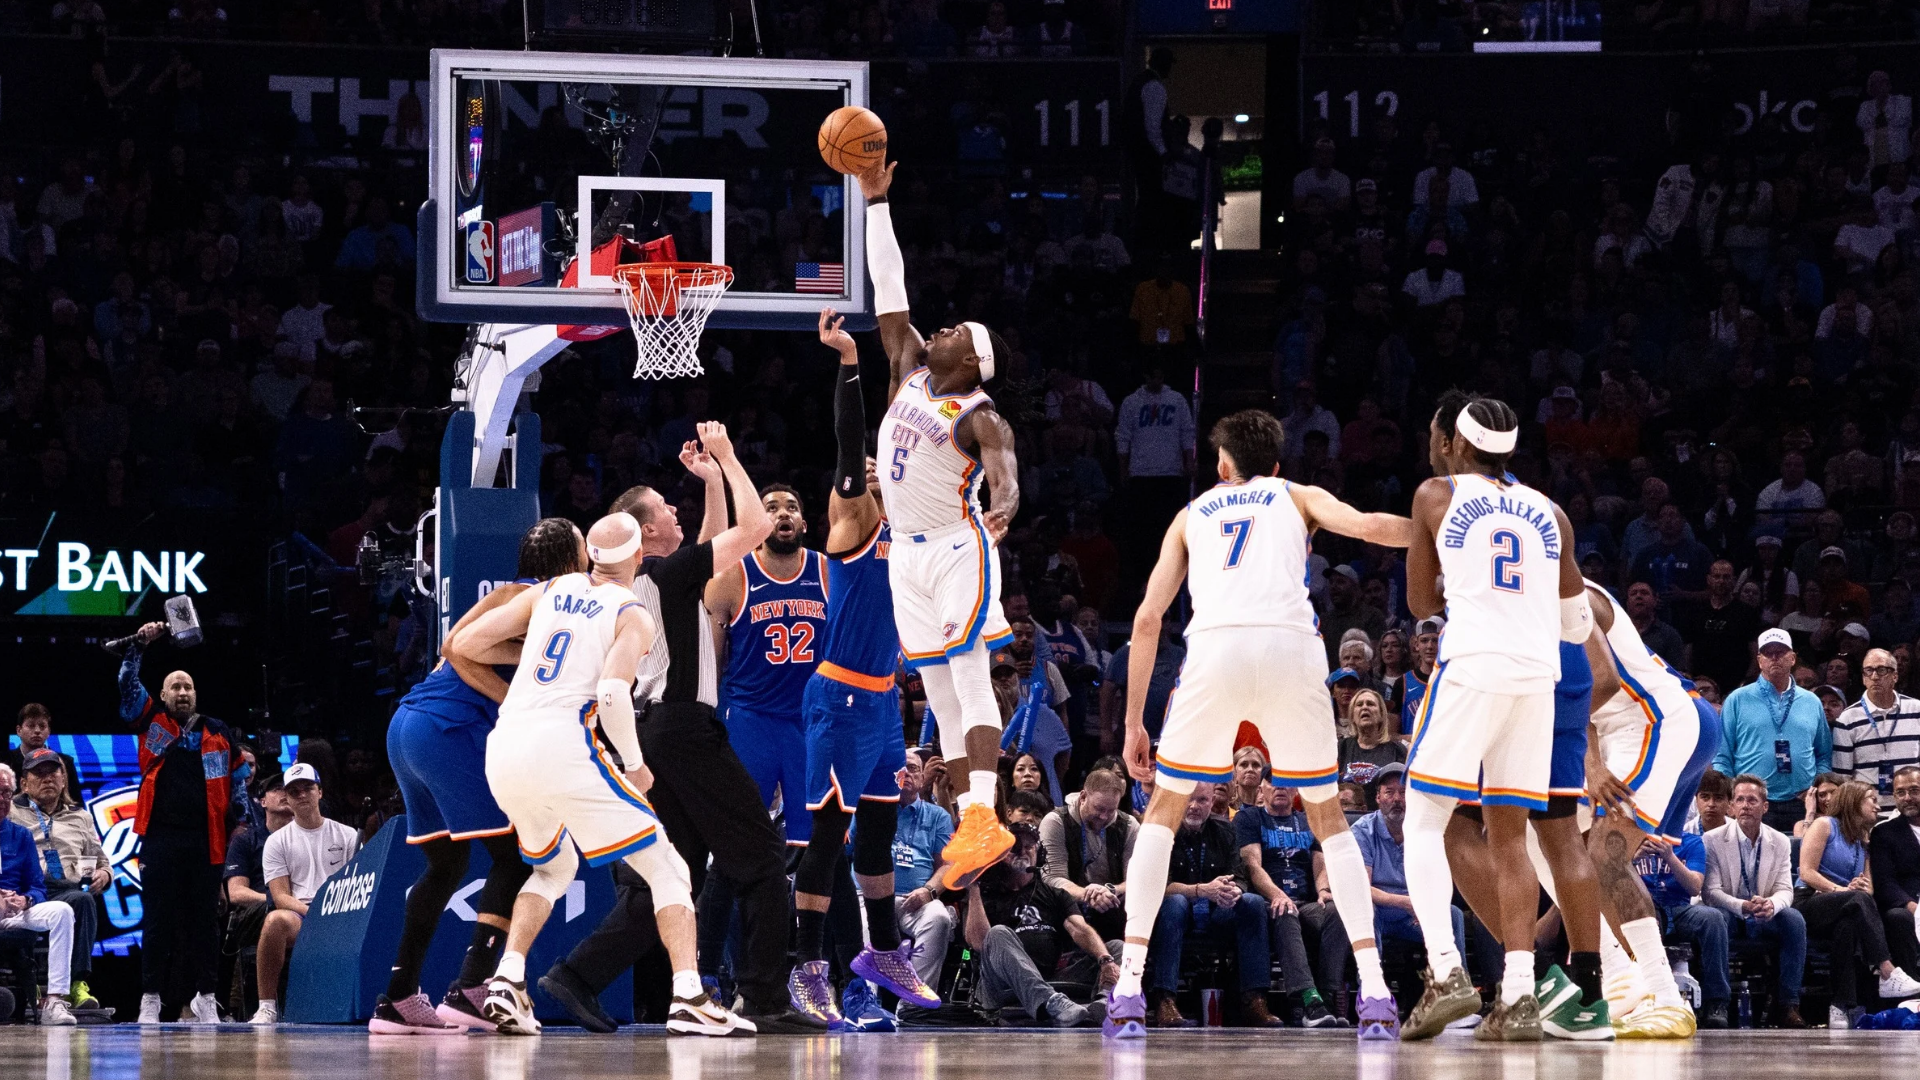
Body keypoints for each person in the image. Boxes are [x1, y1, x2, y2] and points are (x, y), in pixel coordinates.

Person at [1110, 409, 1412, 1042]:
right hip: (1289, 649)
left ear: (1223, 466)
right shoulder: (1296, 494)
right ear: (1275, 464)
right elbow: (1365, 526)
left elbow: (1145, 621)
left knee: (1163, 813)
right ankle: (1378, 993)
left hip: (1216, 649)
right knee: (1329, 819)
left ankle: (1130, 987)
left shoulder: (1191, 515)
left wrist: (1135, 720)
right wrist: (1434, 533)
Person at [448, 511, 753, 1037]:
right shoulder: (632, 612)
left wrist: (530, 664)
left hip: (506, 747)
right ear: (638, 557)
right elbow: (612, 693)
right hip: (565, 745)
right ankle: (690, 997)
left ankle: (507, 980)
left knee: (552, 868)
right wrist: (635, 766)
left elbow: (464, 646)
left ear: (591, 555)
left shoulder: (552, 589)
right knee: (670, 870)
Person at [541, 426, 797, 1032]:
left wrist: (709, 483)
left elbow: (710, 551)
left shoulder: (640, 583)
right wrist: (731, 460)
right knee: (761, 857)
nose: (673, 509)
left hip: (654, 731)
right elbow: (751, 533)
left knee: (665, 875)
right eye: (662, 507)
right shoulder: (666, 573)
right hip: (685, 730)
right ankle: (763, 996)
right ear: (643, 532)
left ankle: (574, 977)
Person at [1398, 392, 1590, 1042]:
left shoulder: (1435, 494)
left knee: (1425, 818)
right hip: (1537, 679)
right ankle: (1517, 995)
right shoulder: (1553, 512)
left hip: (1474, 664)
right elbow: (1575, 621)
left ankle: (1446, 972)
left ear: (1453, 441)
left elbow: (1422, 602)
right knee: (1509, 835)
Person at [862, 155, 1022, 894]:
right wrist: (876, 202)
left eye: (959, 330)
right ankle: (972, 820)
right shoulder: (909, 364)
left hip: (960, 545)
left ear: (972, 362)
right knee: (936, 689)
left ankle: (986, 811)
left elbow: (1003, 456)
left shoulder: (977, 410)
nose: (945, 325)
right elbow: (888, 287)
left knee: (969, 673)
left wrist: (1007, 496)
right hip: (906, 554)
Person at [783, 311, 941, 1029]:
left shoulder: (908, 534)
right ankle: (807, 966)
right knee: (825, 839)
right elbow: (855, 444)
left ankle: (880, 952)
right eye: (868, 470)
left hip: (882, 705)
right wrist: (849, 360)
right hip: (838, 698)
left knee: (876, 837)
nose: (875, 471)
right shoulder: (851, 523)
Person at [374, 518, 585, 1033]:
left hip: (407, 726)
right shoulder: (543, 599)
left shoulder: (514, 594)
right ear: (570, 559)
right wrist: (515, 699)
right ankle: (471, 990)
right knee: (515, 857)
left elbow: (451, 641)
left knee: (445, 867)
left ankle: (397, 999)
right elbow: (457, 648)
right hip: (447, 727)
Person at [1575, 579, 1725, 1036]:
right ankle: (1623, 979)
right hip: (1620, 727)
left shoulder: (1568, 591)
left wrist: (1593, 762)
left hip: (1654, 720)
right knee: (1555, 834)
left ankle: (1665, 995)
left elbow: (1601, 681)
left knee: (1606, 853)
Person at [120, 617, 236, 1025]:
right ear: (164, 694)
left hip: (207, 842)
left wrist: (238, 821)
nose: (183, 692)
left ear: (195, 694)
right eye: (175, 687)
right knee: (159, 922)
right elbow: (127, 685)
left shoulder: (217, 732)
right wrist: (139, 645)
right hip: (161, 839)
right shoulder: (151, 721)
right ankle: (150, 998)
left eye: (188, 687)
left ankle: (206, 997)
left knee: (204, 924)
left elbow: (239, 777)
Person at [1140, 785, 1275, 1027]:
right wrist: (1201, 890)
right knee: (1176, 902)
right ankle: (1165, 1000)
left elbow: (1240, 875)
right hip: (1175, 914)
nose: (1194, 806)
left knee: (1252, 902)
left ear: (1212, 801)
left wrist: (1233, 891)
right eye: (1188, 799)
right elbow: (1157, 886)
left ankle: (1255, 999)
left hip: (1216, 912)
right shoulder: (1162, 833)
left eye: (1201, 800)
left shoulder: (1225, 830)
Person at [963, 821, 1114, 1027]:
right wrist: (973, 885)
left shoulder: (1054, 894)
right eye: (1015, 847)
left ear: (1039, 853)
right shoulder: (984, 895)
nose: (1022, 852)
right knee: (997, 933)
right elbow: (979, 942)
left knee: (1114, 949)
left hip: (1050, 977)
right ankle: (1050, 1002)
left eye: (1029, 846)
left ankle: (1104, 1004)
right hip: (999, 985)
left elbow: (1079, 928)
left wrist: (1105, 960)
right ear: (999, 855)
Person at [1796, 779, 1920, 1027]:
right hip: (1810, 901)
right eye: (1871, 799)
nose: (1877, 806)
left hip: (1846, 905)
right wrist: (1842, 890)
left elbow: (1869, 887)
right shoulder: (1824, 825)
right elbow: (1807, 871)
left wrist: (1858, 888)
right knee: (1857, 901)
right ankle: (1887, 971)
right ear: (1853, 801)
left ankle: (1841, 1006)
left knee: (1849, 926)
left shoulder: (1863, 840)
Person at [249, 763, 359, 1025]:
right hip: (302, 914)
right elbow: (280, 896)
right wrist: (315, 913)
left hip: (343, 913)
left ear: (319, 792)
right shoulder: (276, 841)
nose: (301, 795)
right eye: (293, 791)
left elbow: (358, 884)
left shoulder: (349, 835)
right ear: (286, 798)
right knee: (275, 920)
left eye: (307, 788)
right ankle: (266, 1007)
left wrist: (334, 913)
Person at [1235, 778, 1347, 1026]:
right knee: (1285, 912)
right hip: (1267, 901)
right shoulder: (1250, 818)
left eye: (1285, 783)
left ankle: (1327, 996)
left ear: (1296, 789)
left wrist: (1323, 891)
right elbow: (1252, 865)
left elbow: (1320, 866)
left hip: (1306, 901)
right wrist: (1277, 894)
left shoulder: (1310, 821)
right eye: (1272, 782)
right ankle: (1309, 1000)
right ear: (1261, 788)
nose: (1279, 787)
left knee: (1337, 912)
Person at [1701, 774, 1807, 1028]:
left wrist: (1771, 905)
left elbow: (1785, 889)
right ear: (1732, 807)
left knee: (1793, 918)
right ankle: (1718, 1003)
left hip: (1763, 914)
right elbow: (1710, 892)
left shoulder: (1780, 841)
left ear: (1765, 806)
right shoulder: (1712, 840)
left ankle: (1787, 1004)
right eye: (1740, 800)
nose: (1746, 805)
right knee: (1714, 919)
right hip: (1729, 912)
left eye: (1752, 800)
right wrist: (1741, 906)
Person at [8, 749, 106, 1012]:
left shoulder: (81, 816)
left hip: (66, 890)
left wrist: (104, 874)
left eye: (53, 772)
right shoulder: (11, 813)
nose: (47, 778)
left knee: (83, 901)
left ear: (64, 779)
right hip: (24, 893)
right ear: (24, 783)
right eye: (39, 773)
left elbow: (101, 860)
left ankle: (75, 984)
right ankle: (31, 983)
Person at [1353, 765, 1470, 981]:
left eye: (1404, 792)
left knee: (1452, 914)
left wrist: (1425, 905)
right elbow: (1362, 888)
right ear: (1378, 798)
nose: (1397, 798)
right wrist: (1407, 902)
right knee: (1365, 912)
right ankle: (1370, 991)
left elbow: (1438, 880)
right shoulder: (1362, 831)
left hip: (1413, 913)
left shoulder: (1425, 829)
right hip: (1380, 909)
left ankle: (1456, 986)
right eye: (1389, 792)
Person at [1714, 629, 1833, 833]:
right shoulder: (1737, 699)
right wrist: (1734, 796)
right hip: (1752, 802)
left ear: (1793, 658)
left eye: (1781, 651)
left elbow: (1823, 753)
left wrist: (1816, 790)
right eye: (1768, 653)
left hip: (1802, 801)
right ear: (1759, 660)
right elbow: (1722, 755)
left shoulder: (1812, 701)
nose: (1775, 657)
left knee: (1801, 861)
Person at [0, 764, 76, 1025]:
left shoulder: (20, 835)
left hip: (14, 911)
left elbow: (37, 886)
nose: (2, 799)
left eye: (7, 793)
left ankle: (53, 1001)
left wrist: (26, 900)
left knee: (62, 911)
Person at [889, 748, 956, 1007]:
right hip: (870, 895)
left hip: (917, 897)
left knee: (939, 918)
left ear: (921, 777)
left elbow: (948, 864)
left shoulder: (938, 815)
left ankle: (913, 1005)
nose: (907, 773)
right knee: (861, 923)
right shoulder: (871, 807)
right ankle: (865, 1000)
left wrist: (928, 891)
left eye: (914, 768)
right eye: (901, 768)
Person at [1039, 768, 1136, 942]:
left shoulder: (1128, 825)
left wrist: (1110, 890)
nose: (1104, 816)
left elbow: (1135, 880)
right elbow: (1052, 879)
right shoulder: (1055, 822)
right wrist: (1088, 894)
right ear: (1083, 797)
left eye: (1111, 810)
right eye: (1099, 808)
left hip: (1112, 903)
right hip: (1068, 904)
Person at [1831, 648, 1920, 808]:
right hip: (1869, 813)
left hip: (1913, 809)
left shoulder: (1916, 710)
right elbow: (1843, 778)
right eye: (1869, 671)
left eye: (1881, 670)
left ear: (1895, 676)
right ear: (1864, 678)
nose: (1874, 676)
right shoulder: (1848, 718)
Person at [1869, 765, 1920, 989]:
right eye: (1900, 792)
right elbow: (1884, 883)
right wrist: (1914, 908)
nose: (1907, 798)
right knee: (1898, 917)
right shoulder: (1884, 832)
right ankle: (1912, 994)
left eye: (1914, 790)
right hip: (1907, 904)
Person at [4, 705, 81, 804]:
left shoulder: (65, 762)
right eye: (31, 725)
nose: (37, 731)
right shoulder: (4, 762)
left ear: (48, 731)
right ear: (19, 730)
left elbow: (76, 803)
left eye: (42, 726)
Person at [1338, 689, 1406, 788]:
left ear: (1381, 715)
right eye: (1359, 704)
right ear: (1352, 716)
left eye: (1370, 704)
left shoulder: (1397, 750)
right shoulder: (1341, 748)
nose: (1364, 707)